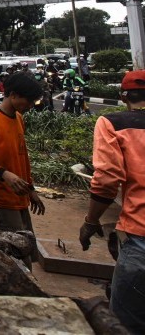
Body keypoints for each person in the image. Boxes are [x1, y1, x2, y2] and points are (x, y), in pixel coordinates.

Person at [79, 70, 145, 331]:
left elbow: (107, 180)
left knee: (126, 324)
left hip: (140, 236)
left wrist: (91, 221)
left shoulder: (112, 123)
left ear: (123, 96)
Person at [0, 72, 46, 268]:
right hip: (0, 196)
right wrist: (4, 174)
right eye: (28, 100)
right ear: (13, 95)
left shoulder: (19, 118)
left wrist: (31, 189)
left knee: (26, 243)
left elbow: (22, 157)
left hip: (19, 194)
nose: (30, 105)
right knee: (16, 254)